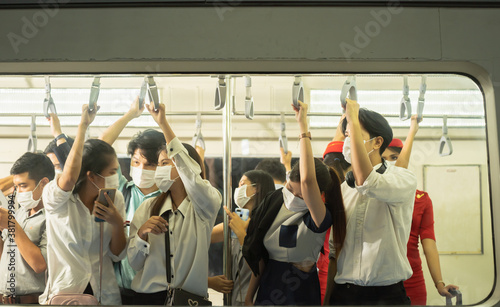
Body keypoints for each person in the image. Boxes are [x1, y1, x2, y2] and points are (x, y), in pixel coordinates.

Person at [243, 100, 346, 306]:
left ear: (315, 196)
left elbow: (308, 180)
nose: (288, 194)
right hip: (268, 287)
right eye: (289, 188)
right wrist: (249, 297)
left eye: (298, 194)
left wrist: (303, 127)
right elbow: (261, 257)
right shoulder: (274, 203)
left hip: (299, 293)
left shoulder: (318, 218)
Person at [324, 99, 417, 305]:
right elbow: (334, 251)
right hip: (344, 294)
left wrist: (354, 120)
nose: (348, 141)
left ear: (377, 142)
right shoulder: (343, 189)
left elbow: (369, 182)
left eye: (356, 134)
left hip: (386, 296)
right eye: (347, 135)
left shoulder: (402, 179)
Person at [127, 101, 221, 305]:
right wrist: (142, 234)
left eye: (165, 163)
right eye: (159, 164)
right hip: (147, 298)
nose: (159, 170)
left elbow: (188, 169)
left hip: (187, 300)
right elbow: (134, 263)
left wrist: (163, 123)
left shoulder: (205, 207)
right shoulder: (148, 208)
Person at [39, 104, 127, 305]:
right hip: (65, 294)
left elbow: (118, 254)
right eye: (112, 172)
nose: (116, 177)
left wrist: (116, 222)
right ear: (92, 176)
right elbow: (69, 177)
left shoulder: (115, 199)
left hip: (104, 295)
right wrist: (83, 126)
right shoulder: (57, 198)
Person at [382, 115, 459, 305]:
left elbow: (429, 243)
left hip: (412, 278)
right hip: (377, 279)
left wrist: (439, 283)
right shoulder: (372, 194)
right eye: (384, 159)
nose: (390, 163)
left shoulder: (421, 199)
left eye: (394, 158)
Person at [99, 97, 165, 302]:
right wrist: (129, 116)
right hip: (121, 289)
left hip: (157, 292)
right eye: (136, 162)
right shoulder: (121, 190)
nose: (141, 169)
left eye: (149, 165)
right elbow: (100, 147)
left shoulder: (168, 199)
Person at [209, 170, 275, 305]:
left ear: (256, 188)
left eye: (242, 184)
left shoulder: (269, 225)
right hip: (234, 298)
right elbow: (205, 237)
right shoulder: (236, 221)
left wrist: (241, 233)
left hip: (256, 299)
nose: (237, 190)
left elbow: (260, 267)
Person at [0, 152, 54, 304]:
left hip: (31, 301)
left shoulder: (53, 217)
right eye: (16, 186)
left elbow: (40, 265)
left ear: (44, 183)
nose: (18, 192)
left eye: (23, 185)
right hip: (4, 300)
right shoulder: (19, 214)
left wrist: (12, 225)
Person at [318, 114, 351, 304]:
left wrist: (341, 127)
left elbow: (331, 157)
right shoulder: (356, 193)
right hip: (351, 274)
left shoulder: (322, 196)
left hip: (325, 270)